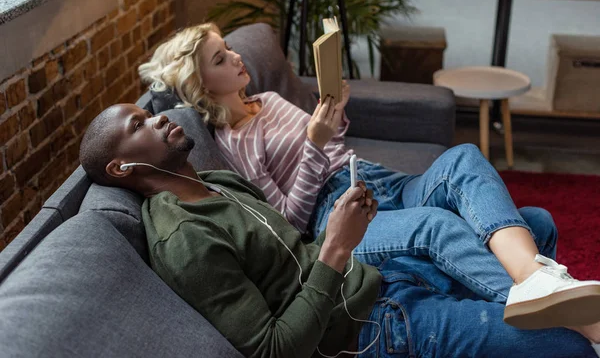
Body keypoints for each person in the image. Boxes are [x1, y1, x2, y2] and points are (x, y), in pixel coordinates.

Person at [138, 22, 600, 331]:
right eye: (220, 60)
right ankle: (563, 321)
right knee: (438, 226)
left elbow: (332, 142)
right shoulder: (233, 142)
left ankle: (537, 282)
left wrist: (334, 114)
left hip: (376, 180)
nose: (236, 58)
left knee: (470, 163)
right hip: (334, 215)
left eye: (230, 50)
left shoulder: (270, 102)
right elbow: (288, 220)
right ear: (201, 85)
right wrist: (315, 145)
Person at [79, 103, 600, 358]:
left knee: (535, 224)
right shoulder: (184, 240)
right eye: (139, 126)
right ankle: (554, 304)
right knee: (570, 345)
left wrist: (350, 234)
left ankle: (543, 290)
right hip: (368, 326)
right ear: (123, 168)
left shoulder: (215, 181)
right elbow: (272, 350)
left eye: (148, 113)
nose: (159, 120)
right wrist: (335, 248)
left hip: (375, 274)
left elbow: (295, 248)